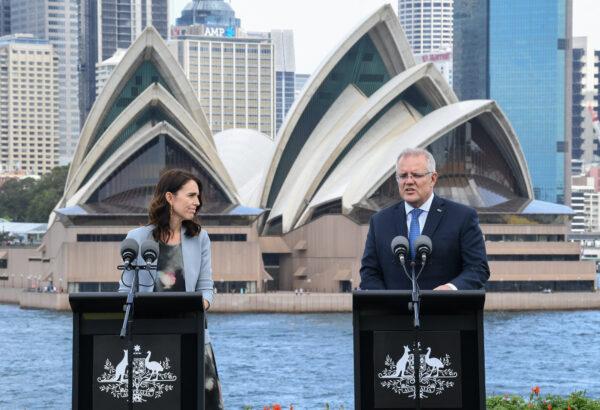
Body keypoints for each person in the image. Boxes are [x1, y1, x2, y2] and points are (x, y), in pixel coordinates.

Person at [119, 168, 224, 409]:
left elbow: (207, 288)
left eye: (198, 197)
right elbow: (124, 290)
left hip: (194, 336)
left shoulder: (200, 238)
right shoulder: (137, 238)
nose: (197, 203)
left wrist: (201, 304)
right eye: (191, 195)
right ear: (169, 197)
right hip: (151, 337)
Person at [359, 148, 490, 290]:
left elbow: (478, 269)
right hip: (395, 311)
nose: (409, 181)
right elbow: (369, 272)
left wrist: (450, 289)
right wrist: (388, 302)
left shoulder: (462, 217)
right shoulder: (380, 221)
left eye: (416, 175)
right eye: (403, 176)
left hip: (446, 309)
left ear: (433, 178)